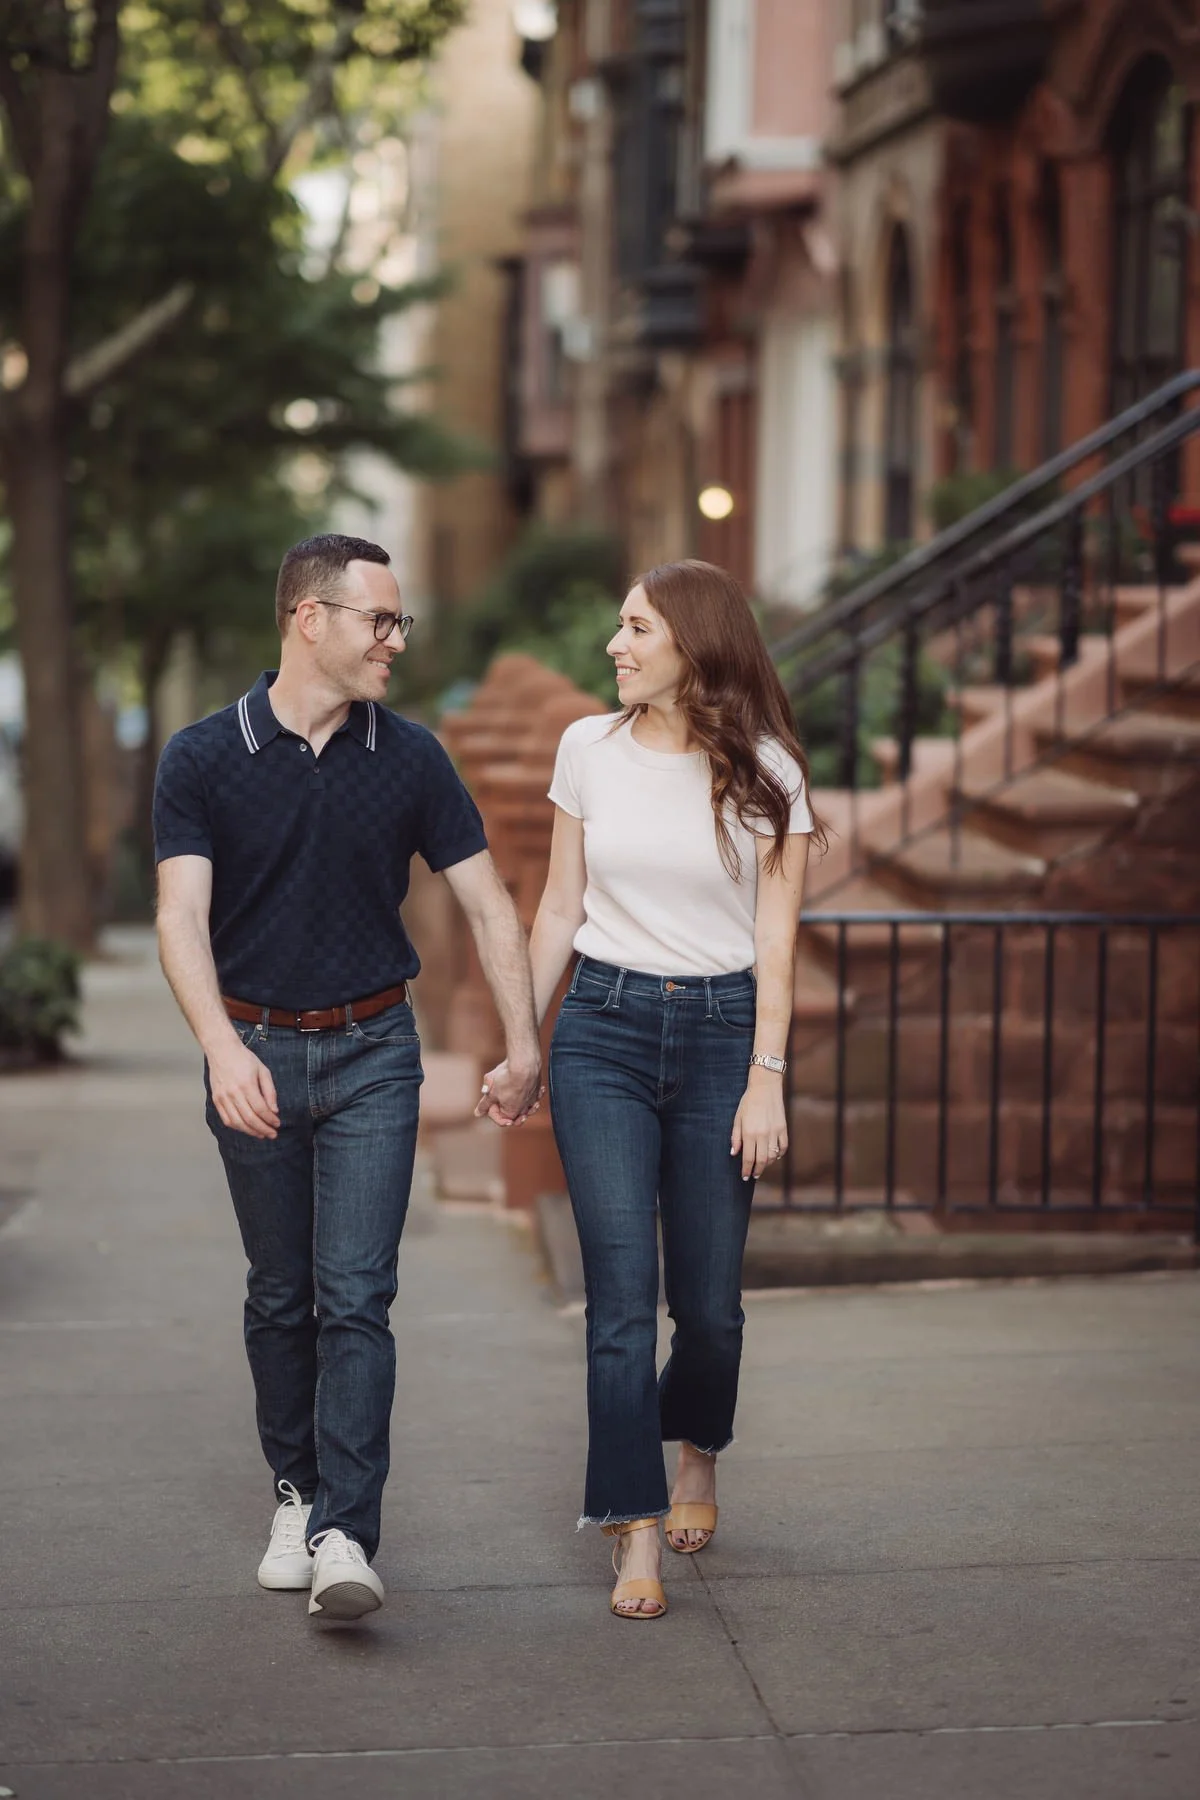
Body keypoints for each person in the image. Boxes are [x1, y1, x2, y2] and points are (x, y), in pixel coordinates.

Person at [154, 533, 541, 1623]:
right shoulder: (200, 756)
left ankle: (345, 1534)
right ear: (306, 619)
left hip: (376, 1050)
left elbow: (488, 903)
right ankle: (297, 1488)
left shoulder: (410, 757)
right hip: (255, 1054)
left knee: (358, 1299)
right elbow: (180, 914)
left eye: (400, 622)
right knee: (283, 1296)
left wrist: (522, 1043)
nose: (396, 642)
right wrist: (222, 1051)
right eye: (380, 621)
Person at [478, 559, 818, 1619]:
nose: (615, 648)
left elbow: (776, 938)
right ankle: (632, 1527)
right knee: (618, 1303)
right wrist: (523, 1041)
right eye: (618, 627)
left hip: (723, 1036)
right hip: (605, 1034)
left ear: (694, 645)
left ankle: (698, 1453)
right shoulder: (588, 750)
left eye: (634, 629)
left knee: (707, 1309)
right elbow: (556, 907)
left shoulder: (767, 772)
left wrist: (767, 1080)